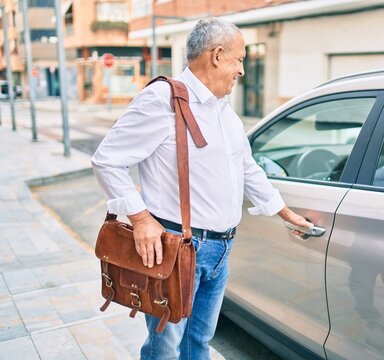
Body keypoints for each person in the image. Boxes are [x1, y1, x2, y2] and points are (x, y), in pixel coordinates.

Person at [91, 17, 311, 360]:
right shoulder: (162, 99)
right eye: (239, 60)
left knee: (199, 341)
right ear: (218, 55)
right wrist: (141, 218)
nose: (241, 71)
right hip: (178, 248)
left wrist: (283, 212)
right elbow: (107, 160)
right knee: (164, 346)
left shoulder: (224, 110)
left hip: (220, 249)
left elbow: (246, 167)